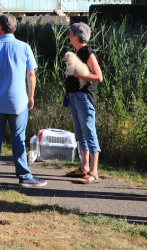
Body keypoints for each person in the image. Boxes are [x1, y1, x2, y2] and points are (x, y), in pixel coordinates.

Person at [0, 14, 47, 187]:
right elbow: (31, 74)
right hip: (18, 101)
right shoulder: (24, 47)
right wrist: (31, 96)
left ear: (0, 27)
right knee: (18, 138)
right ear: (15, 28)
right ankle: (24, 175)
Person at [64, 22, 104, 184]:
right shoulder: (77, 52)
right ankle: (84, 167)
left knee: (89, 133)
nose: (68, 36)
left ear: (77, 36)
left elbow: (98, 77)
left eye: (70, 33)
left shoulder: (87, 52)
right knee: (80, 134)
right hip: (74, 97)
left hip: (84, 98)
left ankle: (94, 172)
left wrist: (77, 75)